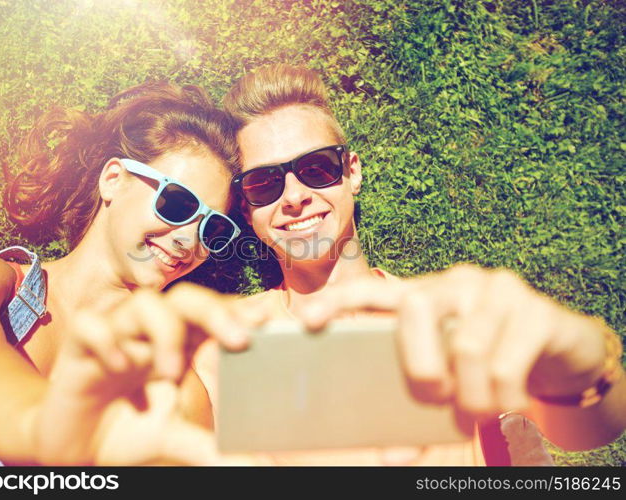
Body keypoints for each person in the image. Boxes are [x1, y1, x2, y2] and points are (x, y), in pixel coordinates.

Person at [186, 64, 625, 465]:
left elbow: (590, 432)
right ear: (246, 209)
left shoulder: (453, 316)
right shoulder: (219, 346)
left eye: (317, 168)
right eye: (264, 183)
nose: (295, 196)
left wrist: (580, 357)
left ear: (352, 171)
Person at [0, 81, 267, 466]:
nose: (189, 240)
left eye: (212, 229)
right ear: (114, 180)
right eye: (178, 203)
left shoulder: (179, 391)